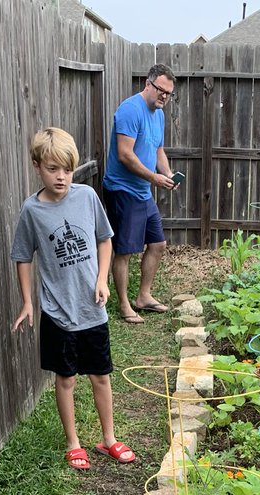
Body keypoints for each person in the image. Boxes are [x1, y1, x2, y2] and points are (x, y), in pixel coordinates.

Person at [12, 127, 135, 468]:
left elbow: (105, 239)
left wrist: (102, 280)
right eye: (53, 169)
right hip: (57, 311)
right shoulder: (31, 211)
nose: (61, 177)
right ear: (37, 166)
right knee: (65, 379)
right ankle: (73, 442)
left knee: (100, 375)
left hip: (92, 309)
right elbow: (23, 256)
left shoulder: (86, 197)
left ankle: (108, 438)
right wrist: (27, 302)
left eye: (67, 169)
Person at [103, 65, 177, 325]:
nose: (164, 96)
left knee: (157, 244)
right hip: (122, 190)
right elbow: (125, 155)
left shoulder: (158, 114)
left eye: (169, 93)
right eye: (161, 90)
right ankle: (124, 304)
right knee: (125, 250)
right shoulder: (130, 110)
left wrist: (166, 173)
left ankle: (143, 296)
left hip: (143, 191)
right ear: (148, 84)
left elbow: (158, 150)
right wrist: (153, 178)